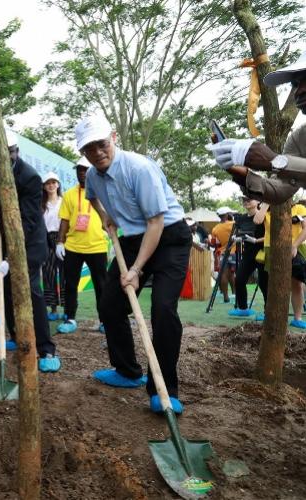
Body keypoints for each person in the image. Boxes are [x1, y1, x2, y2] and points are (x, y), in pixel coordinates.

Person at [77, 114, 190, 415]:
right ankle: (127, 371)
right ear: (83, 152)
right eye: (89, 148)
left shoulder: (138, 168)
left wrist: (136, 270)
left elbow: (155, 222)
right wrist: (104, 216)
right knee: (110, 305)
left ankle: (164, 388)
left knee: (163, 310)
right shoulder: (92, 177)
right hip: (131, 237)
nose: (97, 152)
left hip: (168, 236)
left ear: (113, 137)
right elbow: (92, 197)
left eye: (101, 144)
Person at [0, 130, 61, 373]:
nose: (6, 156)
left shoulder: (30, 177)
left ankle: (46, 348)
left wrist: (12, 257)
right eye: (1, 153)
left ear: (16, 152)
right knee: (8, 288)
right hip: (7, 240)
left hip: (31, 243)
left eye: (9, 152)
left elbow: (29, 221)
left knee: (31, 291)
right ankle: (16, 335)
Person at [207, 52, 306, 203]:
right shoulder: (299, 138)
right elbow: (279, 190)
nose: (299, 91)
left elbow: (278, 163)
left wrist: (275, 161)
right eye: (296, 84)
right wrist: (243, 174)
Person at [56, 157, 108, 334]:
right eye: (79, 170)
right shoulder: (70, 194)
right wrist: (60, 242)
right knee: (70, 284)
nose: (82, 173)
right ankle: (70, 318)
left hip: (98, 246)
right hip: (73, 247)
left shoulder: (103, 191)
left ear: (93, 170)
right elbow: (64, 220)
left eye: (85, 169)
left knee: (101, 285)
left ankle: (104, 321)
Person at [255, 201, 306, 328]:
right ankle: (274, 317)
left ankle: (297, 318)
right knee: (274, 283)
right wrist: (266, 203)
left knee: (297, 284)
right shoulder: (265, 209)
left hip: (296, 248)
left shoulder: (299, 208)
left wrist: (294, 246)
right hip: (271, 248)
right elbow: (257, 221)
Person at [229, 197, 265, 318]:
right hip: (248, 253)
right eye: (244, 200)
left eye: (249, 199)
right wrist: (236, 238)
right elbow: (237, 233)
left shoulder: (264, 216)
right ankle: (243, 308)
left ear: (258, 201)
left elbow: (270, 235)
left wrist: (256, 240)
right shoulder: (242, 218)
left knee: (264, 282)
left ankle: (267, 311)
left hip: (263, 252)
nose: (246, 201)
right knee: (239, 279)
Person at [41, 172, 65, 321]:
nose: (51, 185)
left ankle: (67, 307)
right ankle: (53, 308)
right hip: (46, 239)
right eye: (48, 183)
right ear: (44, 186)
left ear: (58, 184)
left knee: (64, 275)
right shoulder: (41, 204)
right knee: (48, 274)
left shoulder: (64, 201)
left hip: (63, 239)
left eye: (53, 182)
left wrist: (61, 242)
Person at [210, 207, 237, 303]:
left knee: (223, 274)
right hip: (234, 252)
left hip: (222, 253)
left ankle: (226, 296)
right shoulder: (234, 224)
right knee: (232, 274)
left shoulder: (215, 229)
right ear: (226, 215)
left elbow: (214, 243)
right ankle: (234, 293)